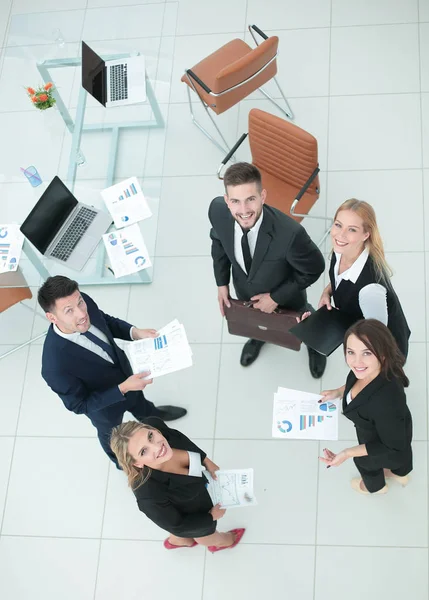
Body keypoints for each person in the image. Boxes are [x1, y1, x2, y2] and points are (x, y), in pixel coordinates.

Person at [38, 276, 187, 465]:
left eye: (80, 303)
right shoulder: (54, 366)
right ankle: (121, 463)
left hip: (127, 376)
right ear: (52, 317)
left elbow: (105, 321)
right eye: (69, 311)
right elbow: (79, 405)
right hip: (105, 408)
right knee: (112, 438)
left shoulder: (81, 301)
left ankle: (154, 419)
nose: (81, 313)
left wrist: (134, 332)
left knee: (143, 407)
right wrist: (122, 388)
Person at [209, 162, 326, 378]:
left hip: (287, 296)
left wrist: (275, 297)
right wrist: (221, 283)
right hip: (244, 288)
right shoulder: (217, 211)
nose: (243, 211)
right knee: (256, 319)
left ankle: (314, 344)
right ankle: (258, 337)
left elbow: (315, 268)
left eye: (250, 199)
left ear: (262, 196)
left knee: (305, 317)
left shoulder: (290, 234)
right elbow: (218, 241)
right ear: (227, 201)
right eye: (235, 201)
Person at [110, 417, 245, 552]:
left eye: (150, 436)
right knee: (206, 535)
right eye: (144, 451)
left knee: (175, 525)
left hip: (195, 498)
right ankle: (225, 542)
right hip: (193, 516)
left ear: (153, 429)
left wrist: (206, 461)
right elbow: (177, 525)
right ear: (137, 463)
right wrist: (211, 517)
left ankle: (178, 541)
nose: (158, 447)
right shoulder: (148, 496)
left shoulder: (157, 426)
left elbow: (183, 440)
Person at [319, 319, 412, 495]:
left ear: (382, 354)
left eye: (367, 353)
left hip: (383, 441)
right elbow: (355, 382)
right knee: (401, 454)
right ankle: (399, 473)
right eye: (351, 352)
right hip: (393, 428)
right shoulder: (367, 371)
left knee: (364, 462)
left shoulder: (386, 402)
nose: (357, 362)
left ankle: (376, 487)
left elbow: (392, 446)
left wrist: (347, 453)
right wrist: (339, 393)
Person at [318, 198, 410, 358]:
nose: (340, 235)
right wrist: (327, 292)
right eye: (338, 225)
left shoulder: (370, 290)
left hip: (383, 349)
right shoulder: (341, 251)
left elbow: (377, 339)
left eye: (352, 229)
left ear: (366, 234)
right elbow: (340, 278)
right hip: (356, 321)